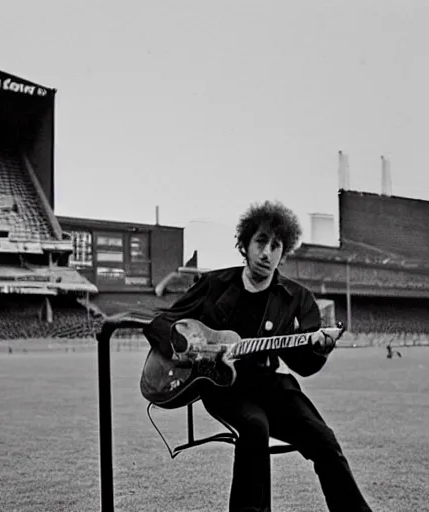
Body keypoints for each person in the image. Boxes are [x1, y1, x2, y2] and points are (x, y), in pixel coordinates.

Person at [143, 200, 373, 512]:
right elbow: (161, 323)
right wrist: (189, 346)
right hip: (224, 388)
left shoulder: (298, 298)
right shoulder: (214, 284)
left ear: (284, 251)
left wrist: (318, 348)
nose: (267, 253)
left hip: (273, 386)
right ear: (245, 244)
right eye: (261, 241)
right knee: (255, 427)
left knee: (325, 441)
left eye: (276, 245)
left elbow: (303, 366)